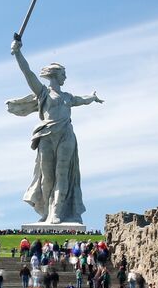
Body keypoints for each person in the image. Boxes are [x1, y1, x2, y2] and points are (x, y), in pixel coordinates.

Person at [6, 37, 102, 225]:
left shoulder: (67, 97)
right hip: (46, 135)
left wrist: (92, 97)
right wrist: (17, 52)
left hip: (66, 135)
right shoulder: (43, 93)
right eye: (63, 74)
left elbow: (82, 99)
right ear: (55, 75)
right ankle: (47, 211)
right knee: (47, 177)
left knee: (62, 174)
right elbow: (28, 73)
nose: (65, 78)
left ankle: (57, 212)